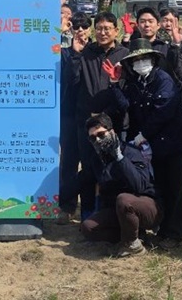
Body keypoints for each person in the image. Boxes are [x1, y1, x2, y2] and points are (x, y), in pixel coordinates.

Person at [104, 38, 182, 249]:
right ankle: (161, 228)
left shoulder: (164, 80)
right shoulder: (135, 83)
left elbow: (163, 112)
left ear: (153, 59)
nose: (140, 63)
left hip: (171, 145)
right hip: (152, 148)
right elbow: (126, 105)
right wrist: (115, 85)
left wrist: (143, 134)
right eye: (136, 60)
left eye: (144, 59)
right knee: (157, 187)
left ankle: (175, 232)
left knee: (175, 189)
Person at [64, 12, 129, 220]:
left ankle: (109, 214)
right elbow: (71, 82)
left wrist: (106, 116)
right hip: (85, 122)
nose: (103, 32)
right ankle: (87, 215)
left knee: (113, 167)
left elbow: (125, 91)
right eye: (99, 28)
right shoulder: (85, 53)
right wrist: (75, 56)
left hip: (113, 123)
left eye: (107, 28)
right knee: (88, 168)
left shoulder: (124, 55)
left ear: (116, 31)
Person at [80, 114, 160, 257]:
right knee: (88, 227)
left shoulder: (131, 151)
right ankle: (133, 235)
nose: (97, 140)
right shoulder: (96, 160)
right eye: (92, 138)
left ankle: (133, 245)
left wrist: (119, 158)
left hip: (147, 207)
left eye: (101, 134)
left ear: (112, 132)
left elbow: (139, 185)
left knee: (124, 200)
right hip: (119, 212)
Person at [58, 13, 91, 223]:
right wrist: (74, 53)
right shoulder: (63, 53)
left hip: (91, 116)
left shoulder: (96, 51)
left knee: (90, 164)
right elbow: (69, 78)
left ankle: (88, 208)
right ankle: (67, 206)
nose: (80, 30)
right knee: (69, 162)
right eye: (76, 26)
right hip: (69, 114)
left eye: (84, 26)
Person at [123, 7, 182, 84]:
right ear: (138, 25)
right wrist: (127, 36)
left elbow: (178, 71)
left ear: (158, 25)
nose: (147, 25)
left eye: (150, 21)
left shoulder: (166, 47)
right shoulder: (133, 47)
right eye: (142, 21)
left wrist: (176, 44)